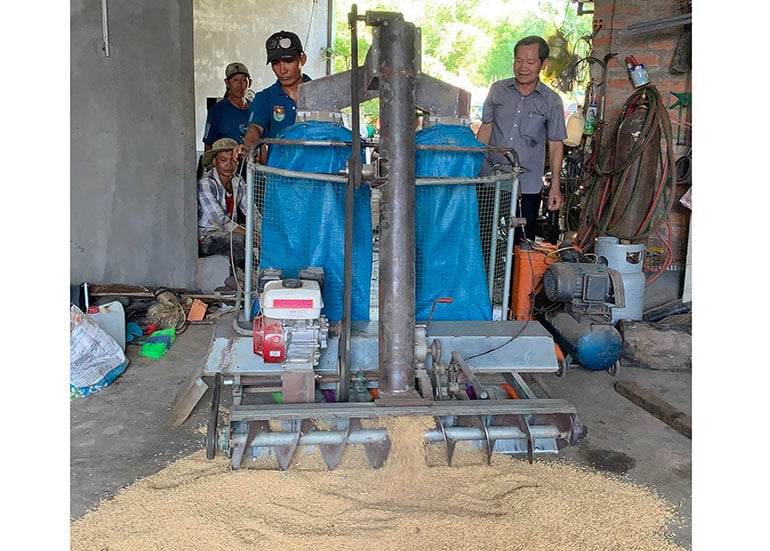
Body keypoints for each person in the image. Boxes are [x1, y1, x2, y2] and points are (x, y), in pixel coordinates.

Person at [476, 35, 567, 243]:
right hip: (490, 179)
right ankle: (488, 276)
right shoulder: (497, 90)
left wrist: (555, 185)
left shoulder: (551, 101)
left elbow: (555, 144)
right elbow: (486, 129)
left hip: (526, 186)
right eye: (518, 60)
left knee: (521, 243)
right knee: (483, 238)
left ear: (543, 64)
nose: (523, 67)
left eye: (530, 62)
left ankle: (514, 277)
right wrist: (474, 168)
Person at [243, 31, 311, 163]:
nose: (282, 70)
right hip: (278, 179)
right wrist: (248, 148)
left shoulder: (321, 94)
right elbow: (255, 128)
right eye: (275, 63)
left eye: (288, 61)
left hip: (316, 177)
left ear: (302, 59)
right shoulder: (264, 98)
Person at [197, 138, 254, 274]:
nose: (229, 164)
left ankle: (242, 279)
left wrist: (263, 231)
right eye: (223, 160)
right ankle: (248, 277)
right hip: (207, 236)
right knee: (239, 241)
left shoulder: (237, 181)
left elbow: (251, 211)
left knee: (252, 241)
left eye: (232, 160)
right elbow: (220, 220)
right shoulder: (206, 183)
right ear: (215, 162)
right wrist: (250, 234)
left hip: (227, 232)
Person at [202, 62, 253, 151]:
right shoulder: (217, 111)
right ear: (227, 83)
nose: (239, 85)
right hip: (228, 163)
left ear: (250, 83)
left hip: (252, 162)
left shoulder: (256, 108)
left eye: (243, 80)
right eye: (235, 80)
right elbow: (208, 145)